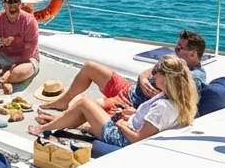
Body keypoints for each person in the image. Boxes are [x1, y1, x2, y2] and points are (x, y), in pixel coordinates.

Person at [29, 55, 199, 146]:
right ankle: (57, 121)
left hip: (120, 137)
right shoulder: (175, 98)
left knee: (84, 103)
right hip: (129, 123)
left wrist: (121, 124)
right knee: (89, 105)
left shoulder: (163, 106)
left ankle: (43, 128)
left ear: (168, 78)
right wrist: (135, 114)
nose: (153, 76)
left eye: (157, 73)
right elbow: (151, 122)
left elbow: (137, 139)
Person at [39, 31, 209, 114]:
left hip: (130, 102)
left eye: (179, 48)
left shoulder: (194, 78)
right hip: (129, 88)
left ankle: (56, 121)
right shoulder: (174, 60)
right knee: (89, 67)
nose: (175, 49)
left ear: (193, 54)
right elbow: (146, 73)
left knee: (88, 105)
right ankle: (63, 101)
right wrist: (143, 79)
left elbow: (177, 102)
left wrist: (138, 110)